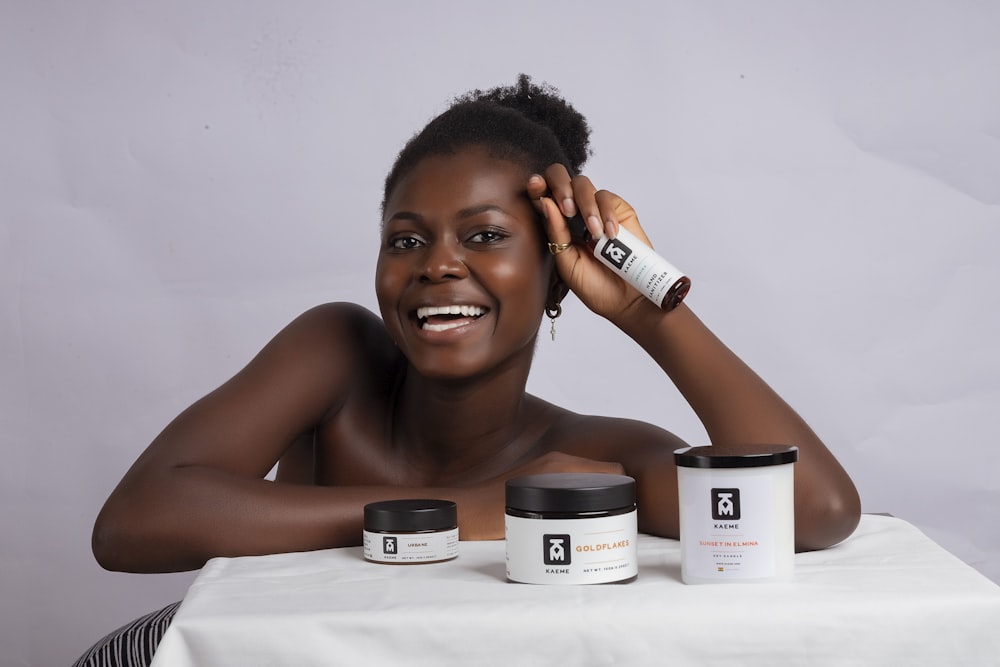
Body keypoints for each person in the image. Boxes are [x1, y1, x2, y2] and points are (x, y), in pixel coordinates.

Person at [76, 74, 860, 664]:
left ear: (556, 273)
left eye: (484, 236)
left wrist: (647, 313)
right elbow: (132, 522)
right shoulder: (337, 354)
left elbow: (816, 508)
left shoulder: (589, 459)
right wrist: (461, 510)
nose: (438, 264)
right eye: (407, 240)